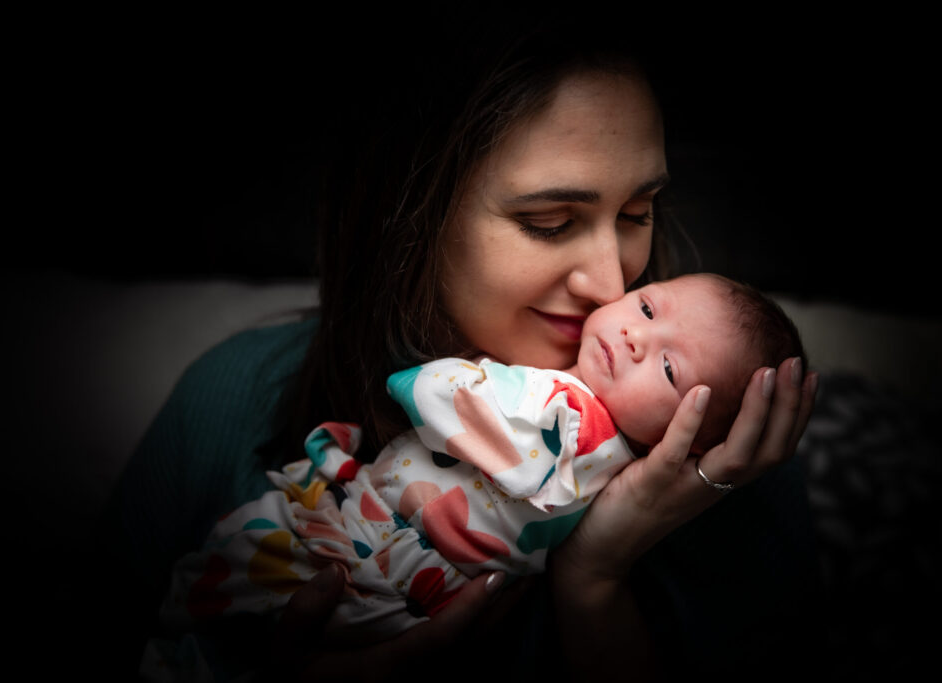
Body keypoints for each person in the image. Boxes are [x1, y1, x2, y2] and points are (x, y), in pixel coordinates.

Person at [104, 12, 819, 683]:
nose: (612, 281)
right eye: (547, 221)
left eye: (637, 212)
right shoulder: (232, 403)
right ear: (411, 216)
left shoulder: (727, 440)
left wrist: (594, 577)